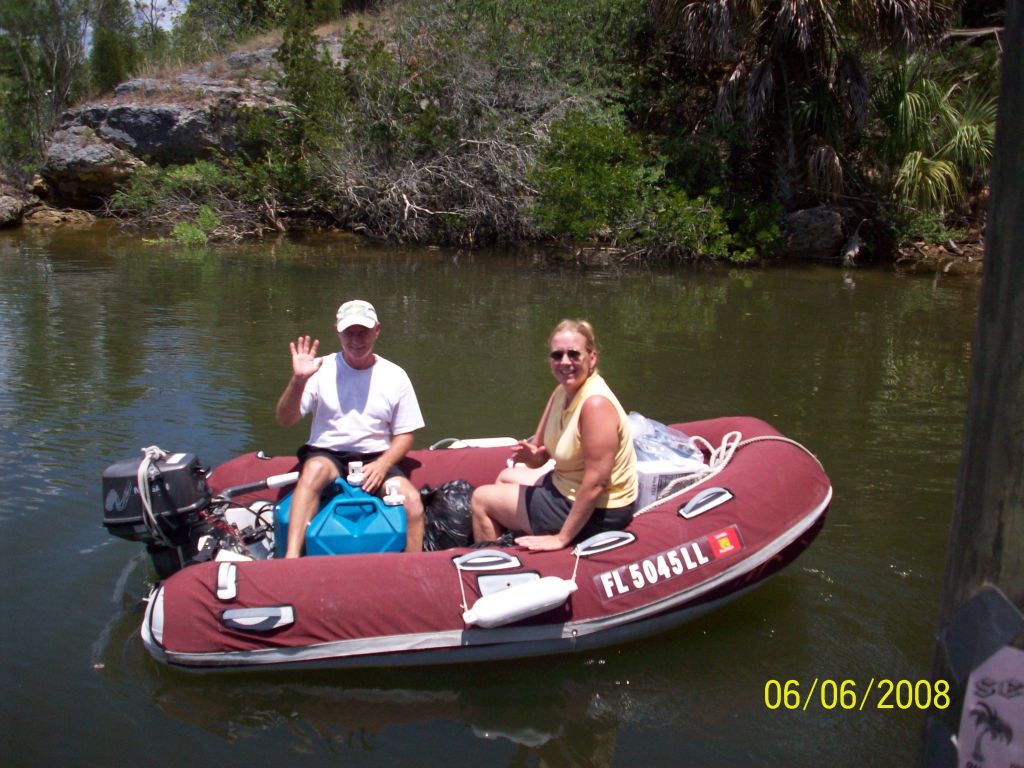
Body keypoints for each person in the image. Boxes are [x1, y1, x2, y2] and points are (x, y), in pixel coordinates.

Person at [275, 299, 426, 557]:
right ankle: (291, 560)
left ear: (377, 330)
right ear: (338, 331)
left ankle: (414, 569)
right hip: (327, 453)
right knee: (313, 471)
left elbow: (404, 434)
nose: (356, 340)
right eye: (349, 332)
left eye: (363, 332)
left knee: (412, 502)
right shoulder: (318, 369)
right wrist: (298, 380)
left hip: (376, 457)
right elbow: (285, 419)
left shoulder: (395, 375)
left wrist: (383, 464)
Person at [471, 319, 637, 551]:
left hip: (599, 509)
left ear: (592, 358)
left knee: (482, 499)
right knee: (506, 476)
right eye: (557, 355)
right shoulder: (561, 392)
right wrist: (530, 457)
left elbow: (597, 483)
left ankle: (493, 567)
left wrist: (560, 538)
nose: (565, 362)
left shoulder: (595, 404)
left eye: (574, 354)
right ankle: (516, 544)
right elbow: (540, 455)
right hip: (565, 485)